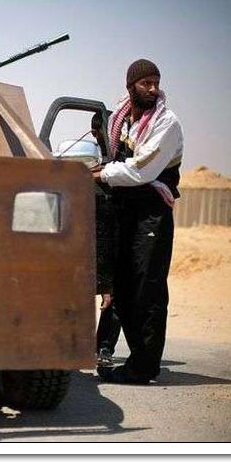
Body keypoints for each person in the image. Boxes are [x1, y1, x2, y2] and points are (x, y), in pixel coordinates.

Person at [93, 59, 184, 384]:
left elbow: (141, 170)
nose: (153, 89)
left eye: (156, 83)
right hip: (126, 209)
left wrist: (102, 173)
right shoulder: (121, 118)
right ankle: (129, 358)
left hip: (152, 213)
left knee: (147, 288)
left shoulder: (166, 123)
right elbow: (112, 154)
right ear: (131, 85)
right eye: (146, 83)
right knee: (122, 286)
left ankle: (143, 367)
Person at [90, 112, 123, 368]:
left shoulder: (126, 158)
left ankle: (104, 348)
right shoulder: (87, 157)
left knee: (116, 293)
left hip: (114, 235)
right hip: (86, 237)